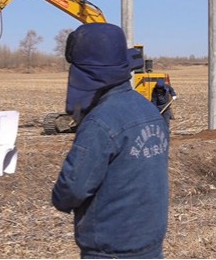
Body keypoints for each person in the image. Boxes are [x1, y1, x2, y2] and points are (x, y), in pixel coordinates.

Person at [51, 23, 170, 259]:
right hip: (150, 248)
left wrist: (59, 197)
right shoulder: (149, 111)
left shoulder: (100, 123)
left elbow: (72, 190)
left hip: (110, 251)